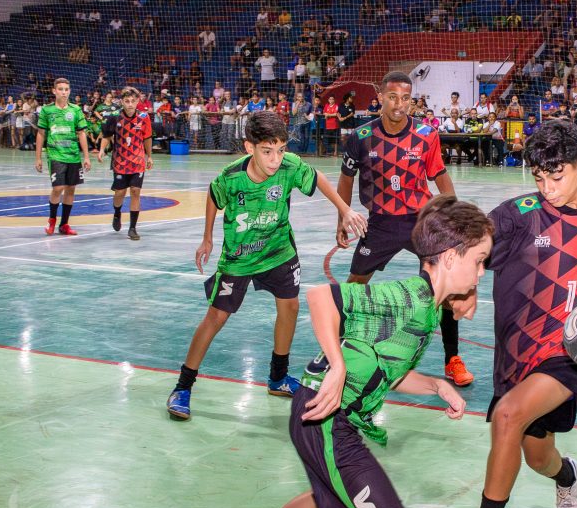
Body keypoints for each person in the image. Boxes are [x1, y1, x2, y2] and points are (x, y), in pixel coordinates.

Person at [225, 196, 494, 508]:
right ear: (451, 256)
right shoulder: (408, 296)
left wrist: (433, 384)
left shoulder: (429, 311)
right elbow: (320, 297)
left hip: (325, 412)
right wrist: (339, 364)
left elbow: (387, 367)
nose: (481, 274)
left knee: (323, 496)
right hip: (327, 415)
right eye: (479, 261)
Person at [439, 120, 577, 508]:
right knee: (537, 454)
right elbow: (469, 248)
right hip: (515, 354)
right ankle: (567, 477)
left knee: (507, 417)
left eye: (556, 176)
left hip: (569, 353)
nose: (546, 187)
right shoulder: (517, 215)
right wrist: (468, 289)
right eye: (538, 177)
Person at [166, 113, 368, 422]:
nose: (275, 159)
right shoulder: (231, 176)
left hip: (278, 252)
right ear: (250, 147)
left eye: (281, 149)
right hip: (239, 256)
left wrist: (344, 210)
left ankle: (278, 378)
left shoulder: (289, 167)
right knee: (216, 317)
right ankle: (183, 386)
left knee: (289, 308)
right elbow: (212, 195)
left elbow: (319, 178)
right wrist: (207, 238)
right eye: (267, 151)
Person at [336, 71, 475, 409]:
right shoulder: (361, 136)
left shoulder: (427, 135)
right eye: (393, 97)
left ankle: (453, 359)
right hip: (380, 223)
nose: (399, 104)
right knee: (354, 284)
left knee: (447, 288)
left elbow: (440, 176)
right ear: (380, 97)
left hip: (420, 222)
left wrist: (451, 216)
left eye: (406, 98)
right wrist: (342, 215)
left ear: (412, 100)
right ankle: (340, 353)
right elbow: (346, 178)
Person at [35, 78, 91, 236]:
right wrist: (38, 157)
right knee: (58, 188)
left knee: (71, 189)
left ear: (70, 91)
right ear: (54, 91)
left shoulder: (75, 110)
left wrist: (86, 156)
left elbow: (81, 133)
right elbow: (40, 134)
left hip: (73, 155)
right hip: (55, 154)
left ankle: (64, 224)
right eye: (60, 89)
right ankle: (52, 220)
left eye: (66, 89)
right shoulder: (47, 110)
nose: (64, 92)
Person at [98, 87, 153, 239]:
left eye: (133, 101)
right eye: (127, 101)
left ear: (137, 102)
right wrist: (102, 150)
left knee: (135, 191)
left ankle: (133, 228)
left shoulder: (144, 117)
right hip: (120, 161)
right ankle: (117, 213)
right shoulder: (114, 117)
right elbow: (107, 135)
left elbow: (147, 137)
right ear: (122, 102)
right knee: (120, 193)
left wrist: (149, 156)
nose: (130, 104)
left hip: (138, 161)